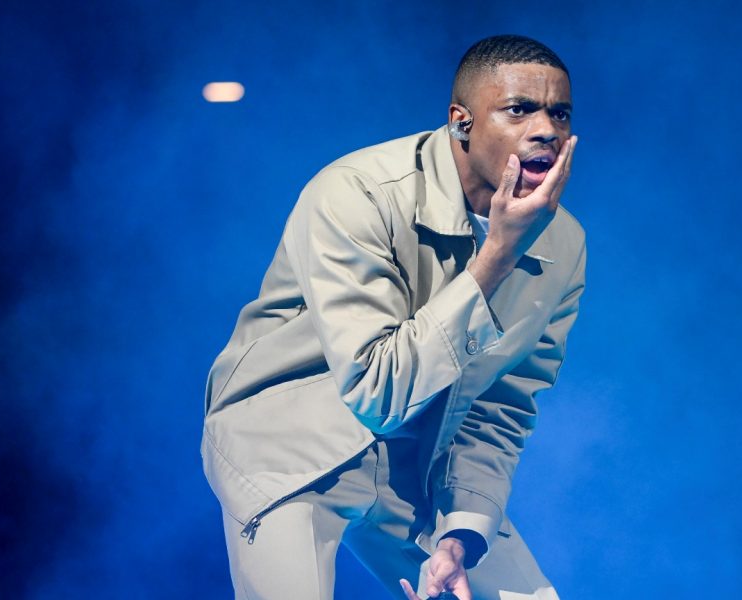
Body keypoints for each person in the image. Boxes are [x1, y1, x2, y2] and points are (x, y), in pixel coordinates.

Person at [202, 34, 584, 600]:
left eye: (559, 112)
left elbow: (501, 407)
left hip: (414, 465)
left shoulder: (564, 244)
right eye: (519, 109)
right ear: (461, 122)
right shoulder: (356, 194)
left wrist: (461, 535)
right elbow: (376, 391)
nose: (546, 129)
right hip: (292, 446)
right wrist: (497, 257)